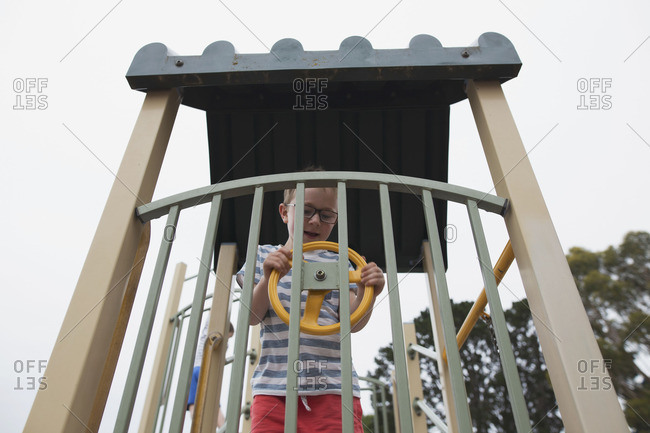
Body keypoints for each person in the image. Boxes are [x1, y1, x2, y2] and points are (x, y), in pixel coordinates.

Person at [237, 180, 385, 432]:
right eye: (306, 210)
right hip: (274, 388)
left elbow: (353, 323)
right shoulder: (264, 255)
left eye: (326, 215)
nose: (315, 221)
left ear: (335, 220)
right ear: (285, 212)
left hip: (334, 388)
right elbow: (251, 316)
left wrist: (366, 291)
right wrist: (267, 276)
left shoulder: (341, 263)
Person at [187, 315, 234, 428]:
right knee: (214, 406)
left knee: (193, 404)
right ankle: (222, 426)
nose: (227, 340)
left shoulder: (208, 337)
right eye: (228, 337)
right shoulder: (216, 341)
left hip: (196, 369)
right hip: (207, 371)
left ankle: (197, 427)